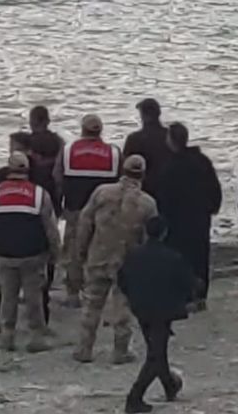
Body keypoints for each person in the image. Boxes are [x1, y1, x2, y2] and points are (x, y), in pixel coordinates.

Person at [74, 154, 158, 364]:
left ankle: (84, 348)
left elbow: (85, 223)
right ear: (143, 175)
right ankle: (121, 350)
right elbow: (150, 237)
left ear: (122, 170)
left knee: (92, 303)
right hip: (127, 260)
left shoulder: (101, 192)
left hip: (99, 255)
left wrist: (80, 251)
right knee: (123, 307)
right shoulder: (148, 203)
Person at [0, 153, 61, 353]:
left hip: (4, 253)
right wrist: (55, 252)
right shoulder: (39, 194)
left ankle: (7, 336)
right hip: (33, 253)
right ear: (28, 170)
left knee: (8, 296)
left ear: (8, 169)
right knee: (34, 297)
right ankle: (36, 338)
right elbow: (50, 227)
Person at [118, 217, 193, 413]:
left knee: (156, 350)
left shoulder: (133, 256)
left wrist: (134, 297)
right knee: (155, 355)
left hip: (141, 308)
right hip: (163, 310)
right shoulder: (172, 257)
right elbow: (187, 283)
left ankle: (169, 385)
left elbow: (122, 280)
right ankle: (134, 397)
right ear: (164, 233)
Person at [53, 113, 121, 302]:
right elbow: (120, 182)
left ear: (82, 130)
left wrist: (59, 204)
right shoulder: (114, 153)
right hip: (105, 211)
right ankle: (97, 292)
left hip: (75, 208)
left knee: (74, 250)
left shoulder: (68, 151)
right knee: (103, 250)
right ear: (101, 131)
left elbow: (57, 179)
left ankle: (73, 294)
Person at [154, 123, 220, 309]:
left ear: (171, 141)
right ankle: (200, 296)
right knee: (200, 256)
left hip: (177, 219)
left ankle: (184, 296)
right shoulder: (202, 161)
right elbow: (214, 186)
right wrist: (214, 206)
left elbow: (163, 196)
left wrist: (162, 217)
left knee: (180, 256)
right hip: (200, 217)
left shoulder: (169, 166)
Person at [124, 99, 173, 198]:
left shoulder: (134, 139)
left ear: (143, 116)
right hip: (169, 189)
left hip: (143, 191)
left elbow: (126, 167)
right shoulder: (171, 136)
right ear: (159, 114)